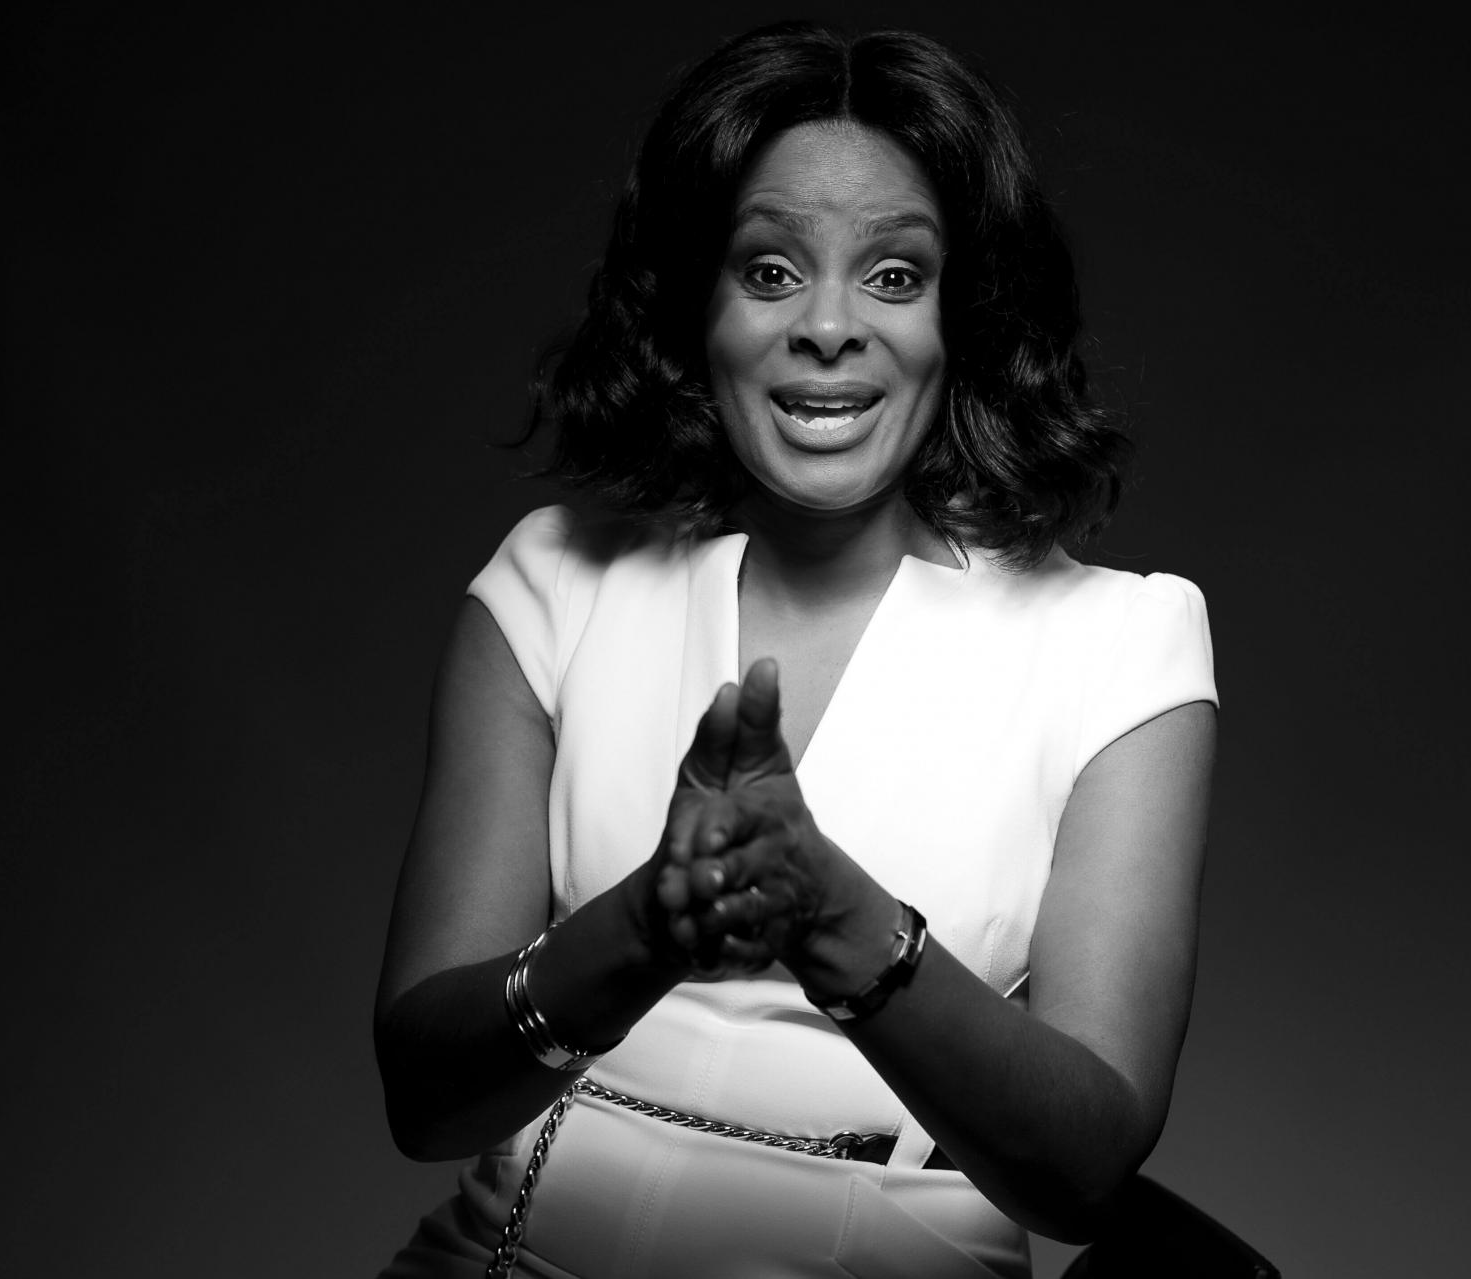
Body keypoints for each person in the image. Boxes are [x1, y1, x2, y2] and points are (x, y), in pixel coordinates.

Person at [374, 21, 1217, 1279]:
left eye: (895, 275)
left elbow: (1085, 1171)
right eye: (769, 270)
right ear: (695, 306)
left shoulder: (1120, 646)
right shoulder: (554, 586)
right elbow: (424, 1103)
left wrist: (840, 920)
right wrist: (641, 932)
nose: (828, 325)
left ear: (967, 316)